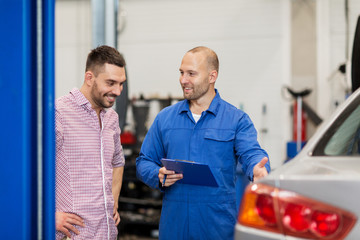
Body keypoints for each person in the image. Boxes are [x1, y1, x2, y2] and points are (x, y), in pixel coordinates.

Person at [136, 46, 270, 239]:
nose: (183, 80)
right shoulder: (165, 119)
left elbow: (252, 153)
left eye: (191, 74)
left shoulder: (236, 120)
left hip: (216, 228)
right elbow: (143, 161)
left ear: (212, 76)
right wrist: (156, 174)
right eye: (181, 73)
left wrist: (258, 169)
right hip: (174, 228)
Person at [55, 45, 126, 240]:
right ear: (89, 78)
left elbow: (117, 162)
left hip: (106, 233)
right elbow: (28, 170)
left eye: (121, 84)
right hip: (72, 235)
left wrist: (113, 203)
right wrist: (47, 215)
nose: (117, 91)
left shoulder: (111, 118)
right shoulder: (58, 113)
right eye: (110, 83)